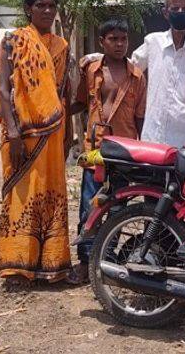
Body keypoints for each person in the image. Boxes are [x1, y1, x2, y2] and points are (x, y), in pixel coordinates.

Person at [0, 0, 74, 288]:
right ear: (29, 9)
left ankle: (51, 266)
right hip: (22, 133)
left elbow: (62, 93)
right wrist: (12, 131)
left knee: (51, 193)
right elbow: (3, 88)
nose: (48, 11)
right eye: (41, 5)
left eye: (52, 6)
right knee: (20, 196)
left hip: (53, 134)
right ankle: (16, 268)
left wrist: (68, 138)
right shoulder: (13, 41)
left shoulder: (61, 46)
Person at [67, 18, 147, 284]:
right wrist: (55, 114)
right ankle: (85, 262)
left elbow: (140, 119)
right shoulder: (91, 70)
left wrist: (141, 150)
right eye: (113, 39)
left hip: (123, 152)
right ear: (102, 42)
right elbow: (79, 102)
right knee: (89, 208)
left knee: (117, 209)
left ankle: (107, 261)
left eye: (123, 39)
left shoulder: (136, 76)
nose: (119, 44)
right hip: (96, 151)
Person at [131, 0, 185, 149]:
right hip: (153, 137)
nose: (180, 12)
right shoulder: (153, 42)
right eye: (175, 8)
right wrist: (99, 58)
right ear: (166, 13)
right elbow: (129, 68)